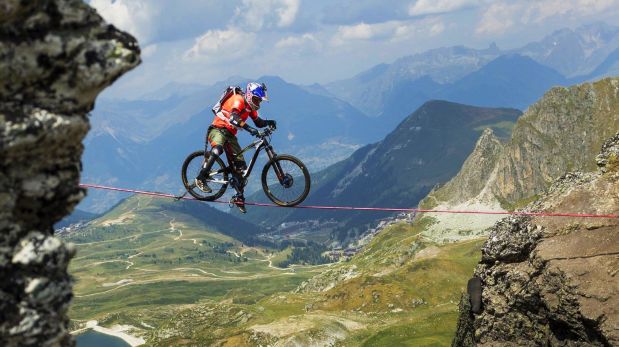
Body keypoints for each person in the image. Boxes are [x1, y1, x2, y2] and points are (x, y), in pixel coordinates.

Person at [195, 82, 276, 213]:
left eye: (259, 100)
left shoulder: (250, 108)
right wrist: (250, 129)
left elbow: (258, 122)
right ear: (249, 96)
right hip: (218, 129)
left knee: (240, 168)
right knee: (217, 149)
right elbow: (234, 118)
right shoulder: (238, 100)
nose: (258, 103)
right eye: (256, 99)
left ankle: (239, 198)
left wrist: (269, 122)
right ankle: (201, 178)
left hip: (231, 135)